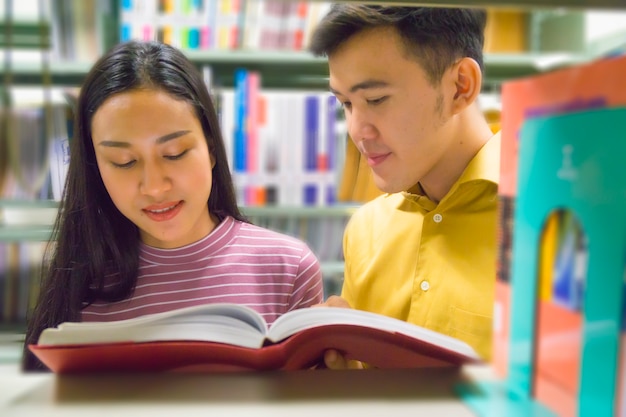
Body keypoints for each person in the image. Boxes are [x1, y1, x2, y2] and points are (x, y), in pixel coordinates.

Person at [22, 40, 324, 371]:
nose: (154, 186)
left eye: (175, 153)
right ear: (95, 167)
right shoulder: (80, 276)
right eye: (123, 161)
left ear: (210, 148)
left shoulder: (288, 268)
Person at [309, 5, 499, 368]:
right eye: (346, 103)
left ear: (461, 86)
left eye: (376, 100)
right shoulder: (366, 229)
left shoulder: (546, 217)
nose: (357, 131)